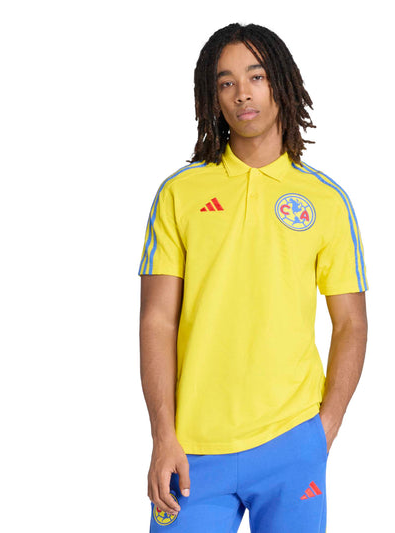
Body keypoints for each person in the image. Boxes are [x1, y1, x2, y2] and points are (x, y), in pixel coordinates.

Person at [138, 22, 368, 533]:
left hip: (292, 442)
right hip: (192, 450)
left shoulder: (327, 200)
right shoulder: (178, 194)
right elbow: (156, 320)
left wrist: (324, 429)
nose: (242, 92)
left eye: (256, 77)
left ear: (281, 84)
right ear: (212, 97)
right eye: (226, 82)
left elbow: (351, 322)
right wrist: (162, 435)